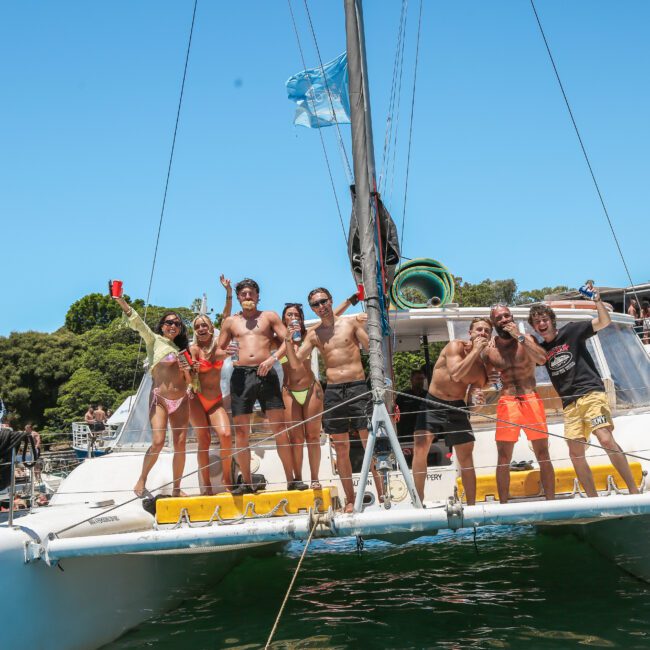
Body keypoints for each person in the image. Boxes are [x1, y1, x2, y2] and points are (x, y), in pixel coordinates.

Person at [284, 287, 383, 512]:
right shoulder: (314, 334)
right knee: (341, 447)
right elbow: (296, 362)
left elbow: (372, 348)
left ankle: (382, 494)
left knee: (369, 444)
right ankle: (350, 499)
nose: (321, 307)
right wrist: (288, 342)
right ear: (312, 308)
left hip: (358, 388)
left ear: (331, 301)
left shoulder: (350, 324)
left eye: (323, 301)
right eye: (316, 304)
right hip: (334, 391)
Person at [529, 298, 640, 497]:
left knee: (605, 439)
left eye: (544, 319)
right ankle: (593, 500)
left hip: (591, 393)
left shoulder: (571, 331)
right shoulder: (540, 351)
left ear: (552, 321)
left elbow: (603, 322)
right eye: (537, 322)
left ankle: (633, 490)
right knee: (575, 453)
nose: (541, 324)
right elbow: (528, 361)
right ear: (534, 328)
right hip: (569, 404)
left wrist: (597, 301)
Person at [217, 278, 294, 495]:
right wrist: (227, 352)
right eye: (244, 294)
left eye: (251, 294)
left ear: (258, 296)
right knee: (241, 432)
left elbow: (287, 340)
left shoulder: (268, 316)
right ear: (239, 298)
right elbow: (217, 351)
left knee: (279, 428)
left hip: (266, 372)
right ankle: (248, 483)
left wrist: (272, 359)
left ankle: (291, 480)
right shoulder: (231, 322)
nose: (248, 297)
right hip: (241, 375)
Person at [113, 295, 192, 497]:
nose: (173, 325)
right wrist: (122, 302)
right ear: (162, 326)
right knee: (157, 442)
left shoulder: (183, 350)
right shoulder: (154, 340)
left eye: (177, 323)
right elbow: (138, 323)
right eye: (169, 322)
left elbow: (191, 380)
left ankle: (176, 488)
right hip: (160, 399)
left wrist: (191, 371)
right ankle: (142, 479)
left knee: (180, 444)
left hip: (182, 399)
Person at [412, 318, 491, 504]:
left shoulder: (481, 369)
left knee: (466, 456)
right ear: (470, 333)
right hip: (432, 402)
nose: (482, 333)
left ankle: (471, 504)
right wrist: (477, 351)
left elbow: (472, 402)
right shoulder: (454, 346)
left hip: (457, 408)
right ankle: (418, 500)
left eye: (487, 331)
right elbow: (456, 374)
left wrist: (477, 404)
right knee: (420, 447)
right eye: (479, 329)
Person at [484, 305, 555, 504]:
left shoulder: (527, 340)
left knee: (542, 453)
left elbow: (542, 359)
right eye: (499, 317)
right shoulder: (490, 349)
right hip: (507, 401)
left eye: (507, 315)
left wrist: (520, 337)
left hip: (530, 397)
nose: (504, 319)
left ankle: (552, 501)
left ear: (512, 317)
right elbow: (483, 379)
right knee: (504, 457)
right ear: (494, 323)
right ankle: (504, 505)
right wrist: (488, 380)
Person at [187, 275, 233, 494]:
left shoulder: (219, 347)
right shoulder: (193, 350)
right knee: (203, 439)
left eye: (204, 325)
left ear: (210, 327)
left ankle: (227, 479)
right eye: (198, 327)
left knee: (225, 435)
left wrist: (228, 292)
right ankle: (206, 484)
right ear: (195, 331)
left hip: (214, 401)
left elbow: (226, 318)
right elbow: (188, 370)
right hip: (196, 400)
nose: (202, 329)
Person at [283, 303, 323, 490]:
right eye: (289, 315)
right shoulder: (278, 339)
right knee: (296, 439)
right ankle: (298, 479)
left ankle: (315, 478)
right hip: (289, 391)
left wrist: (351, 302)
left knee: (313, 437)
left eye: (296, 315)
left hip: (311, 389)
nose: (293, 318)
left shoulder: (309, 335)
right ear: (284, 319)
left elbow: (329, 318)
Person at [395, 367, 428, 453]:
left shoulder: (428, 396)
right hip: (406, 435)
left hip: (424, 431)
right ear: (411, 380)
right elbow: (396, 413)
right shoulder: (403, 396)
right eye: (417, 379)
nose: (420, 381)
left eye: (422, 379)